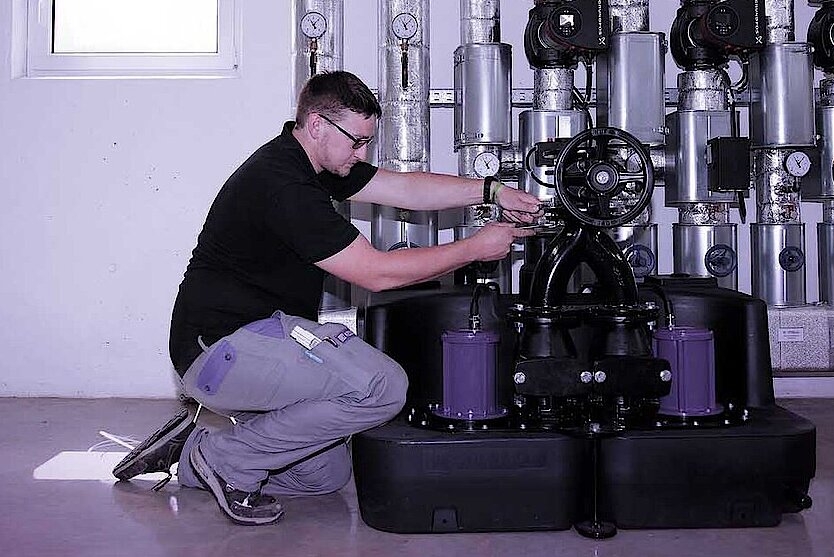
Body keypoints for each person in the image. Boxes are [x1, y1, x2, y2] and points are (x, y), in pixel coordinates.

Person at [113, 71, 539, 525]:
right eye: (357, 142)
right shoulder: (284, 185)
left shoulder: (312, 164)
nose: (362, 154)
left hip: (254, 345)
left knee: (323, 476)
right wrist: (474, 248)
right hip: (223, 350)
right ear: (317, 125)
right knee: (383, 387)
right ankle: (227, 459)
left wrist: (492, 190)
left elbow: (404, 188)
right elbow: (376, 273)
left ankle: (195, 453)